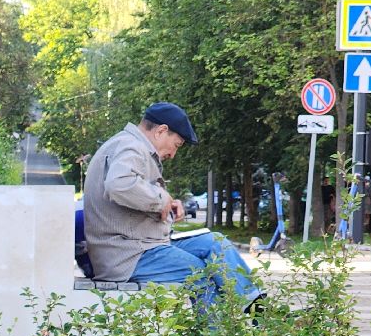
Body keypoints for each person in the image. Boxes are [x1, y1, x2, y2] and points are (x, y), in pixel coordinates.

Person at [82, 103, 261, 312]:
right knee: (203, 277)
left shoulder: (129, 145)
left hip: (143, 246)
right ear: (161, 131)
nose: (173, 154)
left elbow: (132, 189)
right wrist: (160, 199)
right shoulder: (131, 146)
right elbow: (119, 184)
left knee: (216, 243)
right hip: (127, 255)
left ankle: (257, 306)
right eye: (177, 145)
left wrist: (166, 202)